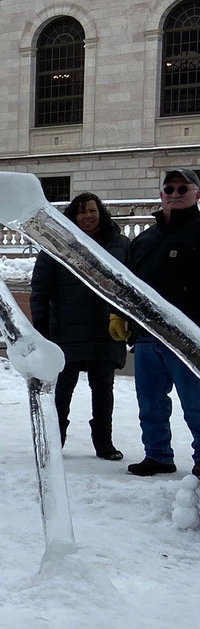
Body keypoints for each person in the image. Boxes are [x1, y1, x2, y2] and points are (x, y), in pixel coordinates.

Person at [29, 192, 130, 460]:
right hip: (66, 329)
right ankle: (54, 442)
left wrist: (129, 320)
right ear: (73, 216)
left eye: (92, 211)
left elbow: (133, 286)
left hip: (107, 329)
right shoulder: (56, 244)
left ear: (101, 213)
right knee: (62, 391)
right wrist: (41, 323)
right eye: (82, 211)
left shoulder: (120, 244)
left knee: (104, 390)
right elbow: (40, 287)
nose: (88, 216)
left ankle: (104, 442)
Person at [117, 168, 200, 477]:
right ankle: (158, 455)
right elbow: (127, 283)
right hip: (147, 335)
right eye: (170, 189)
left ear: (197, 194)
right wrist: (120, 314)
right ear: (161, 194)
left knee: (196, 403)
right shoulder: (145, 239)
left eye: (183, 189)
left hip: (188, 335)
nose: (175, 194)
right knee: (150, 403)